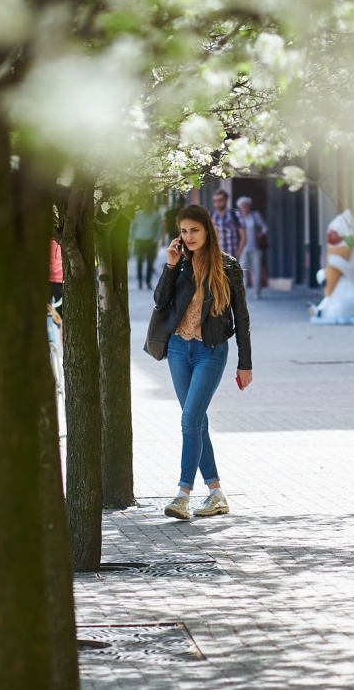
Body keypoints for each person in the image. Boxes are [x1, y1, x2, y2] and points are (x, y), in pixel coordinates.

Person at [154, 204, 252, 520]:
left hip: (211, 351)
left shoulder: (228, 266)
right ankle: (216, 493)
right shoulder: (180, 265)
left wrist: (245, 363)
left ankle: (182, 494)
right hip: (179, 350)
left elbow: (243, 317)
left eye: (194, 230)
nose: (189, 236)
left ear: (207, 230)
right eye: (184, 231)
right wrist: (170, 266)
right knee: (196, 420)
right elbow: (160, 302)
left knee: (189, 420)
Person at [310, 209, 354, 324]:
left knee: (338, 308)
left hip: (353, 295)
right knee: (332, 303)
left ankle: (321, 310)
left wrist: (339, 262)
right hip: (340, 293)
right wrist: (323, 275)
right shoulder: (336, 257)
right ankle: (320, 310)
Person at [236, 196, 267, 299]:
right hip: (243, 249)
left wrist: (261, 234)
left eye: (246, 205)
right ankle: (243, 293)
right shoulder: (237, 217)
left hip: (255, 248)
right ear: (239, 207)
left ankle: (256, 292)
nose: (244, 207)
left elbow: (264, 227)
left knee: (256, 271)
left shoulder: (255, 216)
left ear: (249, 206)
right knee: (242, 271)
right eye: (242, 206)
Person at [130, 202, 163, 288]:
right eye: (145, 205)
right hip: (139, 240)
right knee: (139, 262)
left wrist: (156, 239)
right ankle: (139, 281)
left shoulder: (156, 215)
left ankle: (148, 282)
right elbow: (133, 226)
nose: (146, 207)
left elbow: (159, 228)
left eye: (148, 205)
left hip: (150, 241)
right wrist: (131, 239)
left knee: (150, 262)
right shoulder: (138, 215)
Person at [210, 189, 245, 260]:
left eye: (220, 200)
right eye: (215, 201)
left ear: (226, 200)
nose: (217, 203)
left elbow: (243, 235)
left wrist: (238, 253)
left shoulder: (235, 214)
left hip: (233, 255)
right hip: (217, 256)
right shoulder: (211, 216)